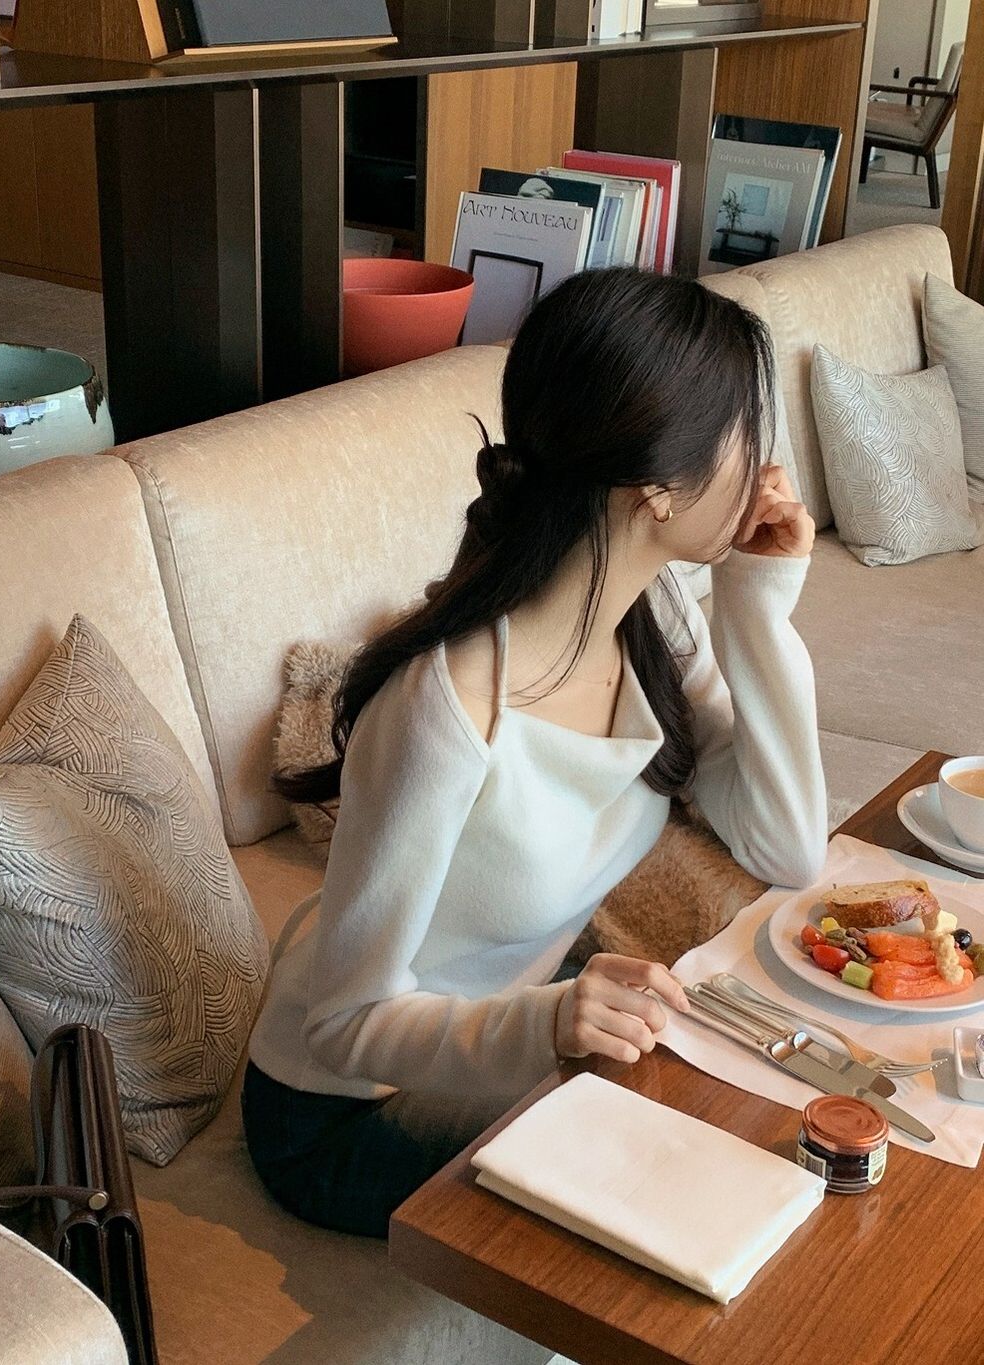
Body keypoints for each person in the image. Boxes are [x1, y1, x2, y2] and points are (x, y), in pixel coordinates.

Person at [243, 267, 828, 1238]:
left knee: (765, 1109)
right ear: (656, 487)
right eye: (743, 431)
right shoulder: (446, 707)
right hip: (344, 1112)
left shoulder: (656, 618)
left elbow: (786, 845)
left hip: (498, 1038)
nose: (765, 465)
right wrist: (548, 1021)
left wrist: (758, 608)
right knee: (694, 1179)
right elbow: (341, 1022)